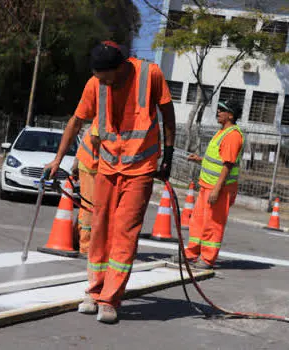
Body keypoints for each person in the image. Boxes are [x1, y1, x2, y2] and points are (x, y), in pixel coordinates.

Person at [45, 41, 176, 323]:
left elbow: (168, 114)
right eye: (97, 76)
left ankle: (111, 299)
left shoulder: (149, 75)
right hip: (106, 166)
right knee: (99, 227)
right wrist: (58, 160)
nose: (100, 81)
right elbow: (75, 122)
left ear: (119, 68)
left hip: (140, 168)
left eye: (104, 76)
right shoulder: (95, 84)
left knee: (125, 232)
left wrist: (169, 155)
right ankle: (93, 291)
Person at [182, 99, 244, 269]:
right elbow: (218, 159)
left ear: (230, 115)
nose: (218, 112)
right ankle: (192, 253)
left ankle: (207, 258)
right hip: (207, 186)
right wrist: (200, 160)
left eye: (222, 110)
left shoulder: (232, 135)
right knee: (198, 221)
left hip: (219, 189)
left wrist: (217, 190)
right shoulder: (222, 132)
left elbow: (227, 165)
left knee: (213, 224)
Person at [71, 126, 99, 256]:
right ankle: (85, 246)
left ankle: (76, 239)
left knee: (86, 206)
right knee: (90, 207)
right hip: (91, 168)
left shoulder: (93, 124)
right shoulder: (103, 120)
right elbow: (94, 141)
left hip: (87, 165)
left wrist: (75, 164)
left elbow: (82, 144)